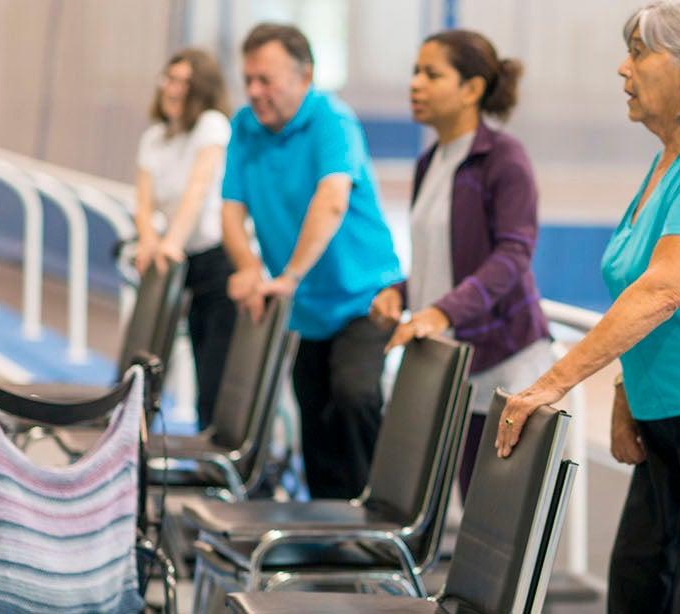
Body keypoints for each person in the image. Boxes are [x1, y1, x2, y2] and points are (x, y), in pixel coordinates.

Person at [494, 2, 680, 612]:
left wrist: (549, 385)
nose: (621, 68)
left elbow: (663, 292)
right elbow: (643, 294)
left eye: (637, 53)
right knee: (637, 586)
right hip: (668, 409)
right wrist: (624, 393)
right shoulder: (670, 161)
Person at [220, 23, 402, 500]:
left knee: (354, 395)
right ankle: (327, 530)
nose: (256, 92)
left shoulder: (332, 120)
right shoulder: (245, 126)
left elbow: (333, 199)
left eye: (267, 80)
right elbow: (231, 210)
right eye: (249, 80)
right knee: (314, 417)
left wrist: (289, 275)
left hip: (365, 296)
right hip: (307, 308)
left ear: (306, 76)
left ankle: (379, 517)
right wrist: (249, 269)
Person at [368, 29, 552, 498]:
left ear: (471, 89)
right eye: (415, 72)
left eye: (432, 74)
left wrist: (440, 312)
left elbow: (512, 255)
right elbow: (446, 259)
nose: (416, 84)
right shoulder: (431, 160)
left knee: (493, 514)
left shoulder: (504, 159)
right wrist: (402, 292)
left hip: (504, 364)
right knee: (465, 505)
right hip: (454, 363)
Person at [133, 48, 236, 431]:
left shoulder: (211, 126)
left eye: (182, 82)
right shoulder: (155, 138)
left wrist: (171, 242)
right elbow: (143, 202)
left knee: (213, 369)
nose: (170, 88)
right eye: (168, 78)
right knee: (154, 356)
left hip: (215, 259)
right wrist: (148, 241)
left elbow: (198, 190)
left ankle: (217, 451)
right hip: (181, 262)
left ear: (201, 90)